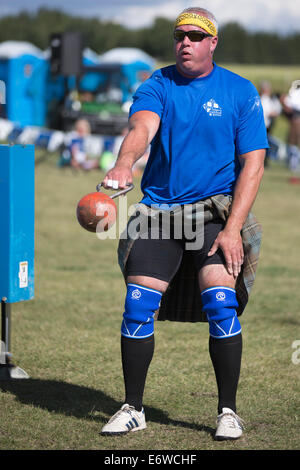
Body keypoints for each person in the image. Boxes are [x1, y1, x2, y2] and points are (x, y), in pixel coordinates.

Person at [100, 6, 268, 440]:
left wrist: (233, 229)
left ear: (213, 42)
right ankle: (133, 407)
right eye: (180, 35)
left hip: (213, 215)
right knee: (138, 303)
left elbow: (253, 165)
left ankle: (227, 411)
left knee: (220, 303)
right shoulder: (158, 83)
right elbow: (142, 127)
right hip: (159, 211)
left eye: (196, 36)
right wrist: (124, 163)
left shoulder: (240, 91)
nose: (185, 43)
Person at [259, 81, 281, 165]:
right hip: (264, 126)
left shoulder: (261, 98)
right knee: (265, 144)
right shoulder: (265, 99)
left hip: (264, 125)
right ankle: (265, 161)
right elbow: (270, 112)